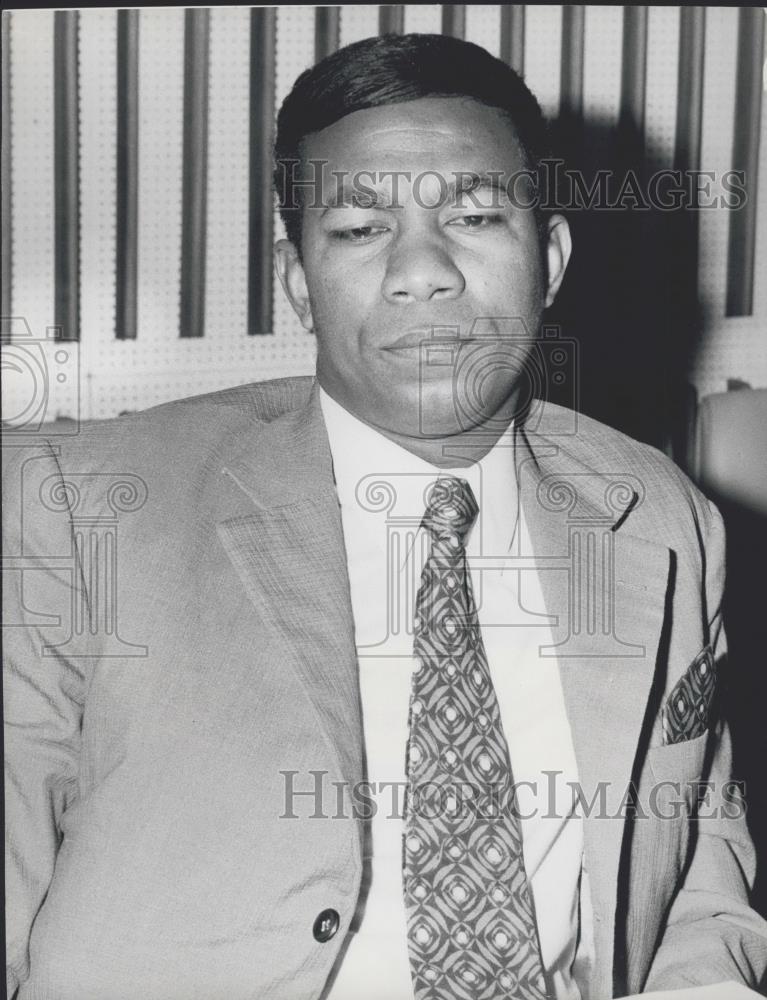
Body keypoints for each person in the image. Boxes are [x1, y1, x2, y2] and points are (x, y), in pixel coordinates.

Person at [4, 32, 767, 1000]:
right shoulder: (81, 506)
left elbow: (691, 848)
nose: (422, 271)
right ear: (297, 282)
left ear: (551, 256)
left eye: (476, 216)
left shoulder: (655, 513)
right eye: (360, 230)